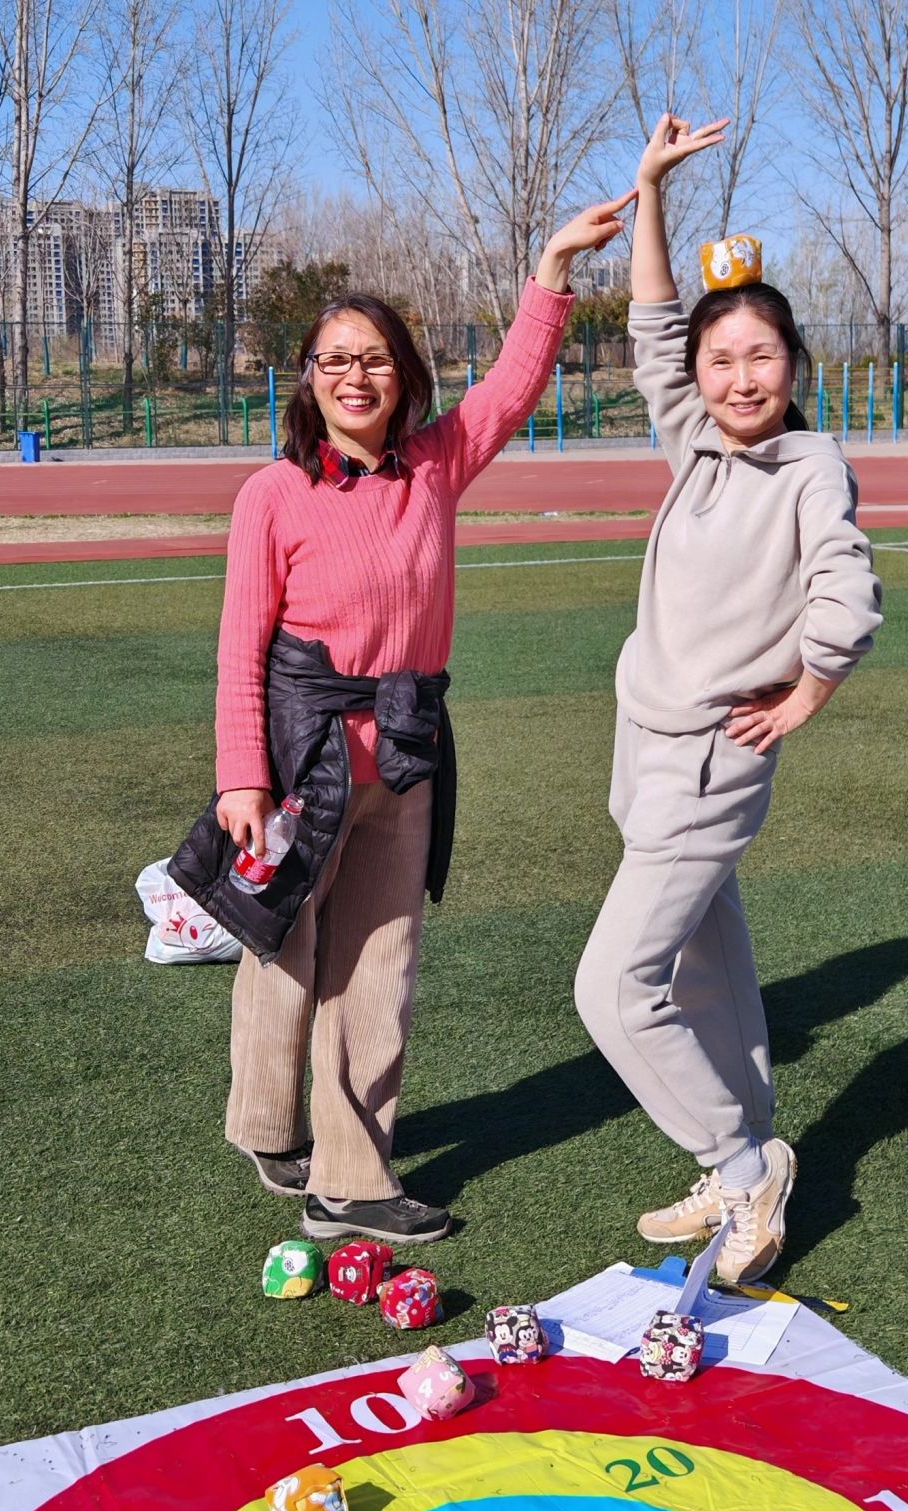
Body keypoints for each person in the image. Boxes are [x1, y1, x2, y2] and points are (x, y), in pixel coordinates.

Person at [215, 190, 632, 1246]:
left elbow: (513, 384)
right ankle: (266, 1123)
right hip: (302, 752)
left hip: (405, 752)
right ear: (307, 377)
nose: (354, 376)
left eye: (375, 359)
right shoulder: (273, 494)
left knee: (379, 966)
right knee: (284, 953)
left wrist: (552, 266)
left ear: (403, 375)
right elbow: (239, 649)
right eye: (334, 359)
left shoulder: (435, 467)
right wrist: (241, 776)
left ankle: (349, 1176)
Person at [574, 116, 883, 1285]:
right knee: (705, 965)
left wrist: (808, 692)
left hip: (712, 761)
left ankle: (744, 1166)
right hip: (642, 745)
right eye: (720, 361)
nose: (738, 377)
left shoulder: (808, 467)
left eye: (760, 356)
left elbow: (846, 595)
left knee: (612, 988)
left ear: (792, 365)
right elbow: (655, 323)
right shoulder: (693, 442)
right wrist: (649, 191)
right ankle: (742, 1143)